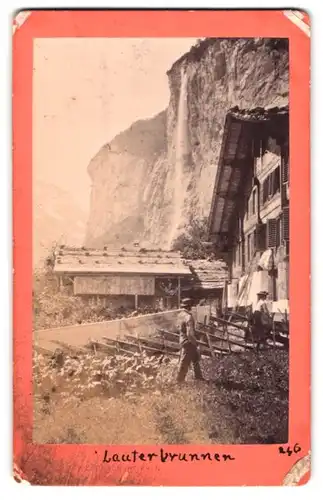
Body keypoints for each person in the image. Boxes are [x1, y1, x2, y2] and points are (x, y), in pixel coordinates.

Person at [176, 298, 205, 383]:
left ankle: (198, 377)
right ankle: (179, 380)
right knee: (184, 361)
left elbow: (178, 327)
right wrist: (195, 343)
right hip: (188, 341)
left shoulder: (180, 315)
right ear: (190, 307)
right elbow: (190, 334)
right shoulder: (189, 317)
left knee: (195, 358)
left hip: (182, 339)